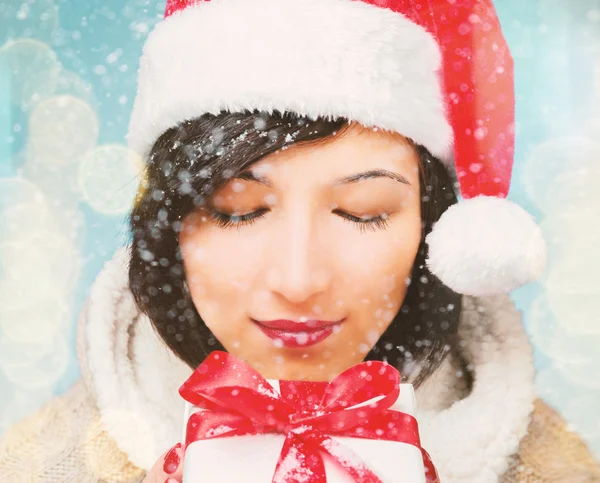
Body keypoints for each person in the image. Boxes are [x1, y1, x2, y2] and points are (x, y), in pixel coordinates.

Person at [1, 0, 599, 482]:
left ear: (433, 230)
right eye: (237, 212)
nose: (298, 279)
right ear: (170, 228)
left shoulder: (555, 470)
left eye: (361, 213)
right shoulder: (38, 466)